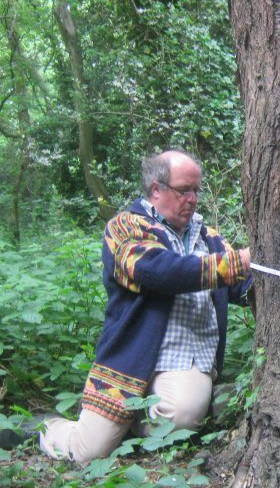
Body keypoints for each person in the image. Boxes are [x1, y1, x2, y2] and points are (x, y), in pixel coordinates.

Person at [38, 149, 252, 464]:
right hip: (129, 361)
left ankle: (142, 422)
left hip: (186, 360)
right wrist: (236, 263)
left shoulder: (208, 237)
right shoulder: (125, 227)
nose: (192, 199)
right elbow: (160, 271)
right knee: (86, 453)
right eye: (184, 190)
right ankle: (47, 428)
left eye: (196, 190)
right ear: (156, 189)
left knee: (182, 415)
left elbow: (240, 287)